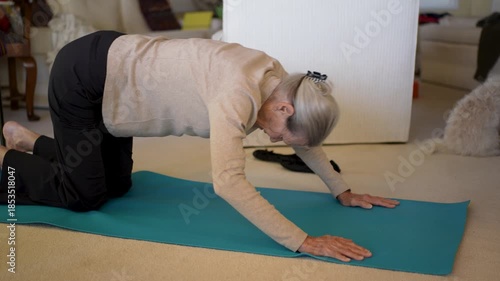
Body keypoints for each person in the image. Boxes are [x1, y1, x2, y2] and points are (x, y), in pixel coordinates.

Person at [0, 31, 399, 262]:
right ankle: (8, 161)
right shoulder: (236, 94)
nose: (276, 140)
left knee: (119, 186)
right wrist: (302, 241)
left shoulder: (278, 81)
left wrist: (340, 189)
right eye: (282, 134)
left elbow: (303, 139)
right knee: (83, 194)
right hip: (85, 79)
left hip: (115, 81)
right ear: (284, 107)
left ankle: (30, 140)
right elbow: (227, 182)